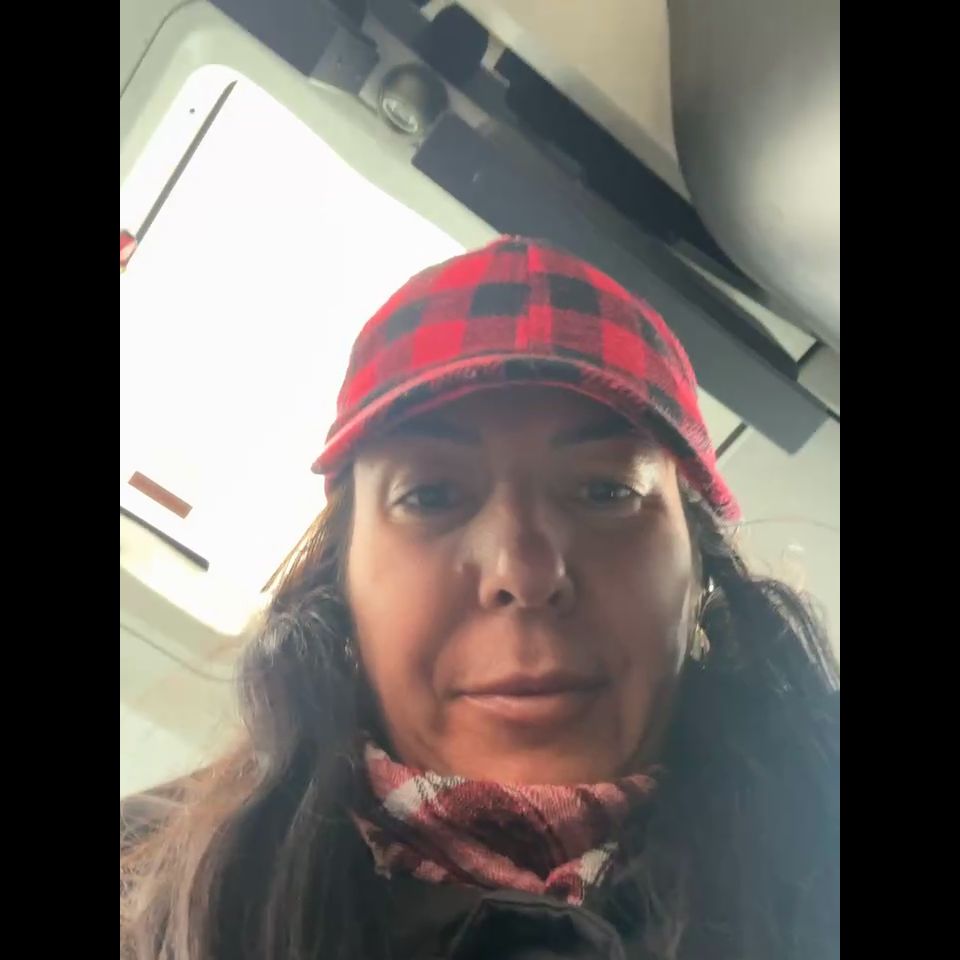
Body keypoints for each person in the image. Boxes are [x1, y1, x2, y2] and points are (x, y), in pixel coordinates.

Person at [120, 237, 839, 960]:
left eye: (607, 491)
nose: (524, 573)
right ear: (339, 582)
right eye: (430, 496)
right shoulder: (146, 892)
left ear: (700, 568)